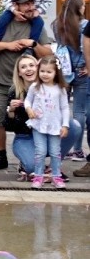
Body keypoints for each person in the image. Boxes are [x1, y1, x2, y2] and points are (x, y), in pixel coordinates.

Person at [0, 0, 52, 170]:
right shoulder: (0, 22)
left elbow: (49, 53)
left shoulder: (37, 26)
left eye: (32, 3)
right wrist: (7, 45)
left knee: (28, 119)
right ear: (16, 6)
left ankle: (27, 156)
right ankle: (1, 156)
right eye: (26, 3)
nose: (30, 7)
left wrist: (33, 44)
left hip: (26, 84)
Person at [6, 54, 80, 182]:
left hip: (49, 132)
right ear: (19, 73)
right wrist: (11, 111)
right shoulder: (15, 91)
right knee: (31, 167)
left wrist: (63, 124)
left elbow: (63, 110)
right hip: (25, 137)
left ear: (38, 67)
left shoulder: (55, 88)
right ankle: (27, 166)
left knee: (73, 125)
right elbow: (8, 126)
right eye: (23, 67)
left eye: (31, 65)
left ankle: (53, 168)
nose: (28, 69)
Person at [24, 55, 70, 189]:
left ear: (56, 72)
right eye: (42, 71)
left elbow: (65, 107)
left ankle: (56, 176)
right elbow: (28, 100)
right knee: (40, 151)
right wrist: (28, 109)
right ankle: (38, 176)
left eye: (49, 71)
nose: (45, 74)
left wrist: (65, 125)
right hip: (38, 124)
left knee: (55, 152)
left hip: (55, 125)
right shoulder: (35, 87)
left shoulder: (60, 89)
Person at [54, 0, 88, 162]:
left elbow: (59, 47)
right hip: (82, 71)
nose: (84, 7)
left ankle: (63, 146)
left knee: (62, 108)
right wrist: (85, 65)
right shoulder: (84, 25)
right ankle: (77, 149)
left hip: (64, 71)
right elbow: (84, 48)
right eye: (83, 4)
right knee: (79, 111)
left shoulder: (57, 25)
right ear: (78, 7)